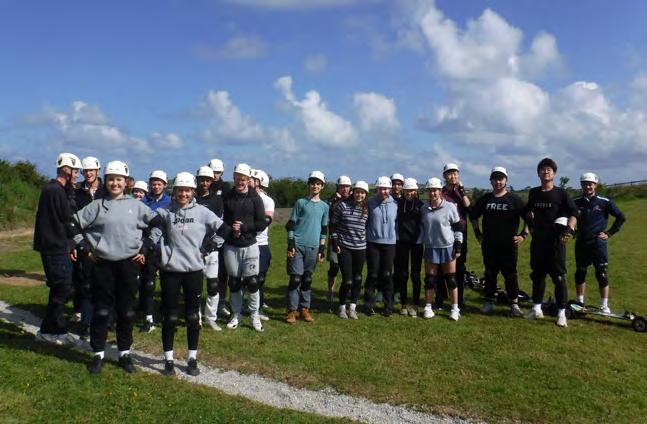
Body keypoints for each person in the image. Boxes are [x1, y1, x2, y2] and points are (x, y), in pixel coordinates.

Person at [73, 160, 158, 373]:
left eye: (119, 179)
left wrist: (146, 247)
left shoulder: (136, 205)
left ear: (126, 182)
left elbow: (158, 224)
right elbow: (72, 224)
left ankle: (124, 353)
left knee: (126, 311)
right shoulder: (97, 205)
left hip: (128, 264)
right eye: (111, 179)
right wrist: (84, 247)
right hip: (102, 264)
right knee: (102, 311)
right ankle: (98, 353)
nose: (115, 183)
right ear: (106, 181)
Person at [149, 172, 226, 376]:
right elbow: (151, 227)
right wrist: (149, 245)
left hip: (193, 270)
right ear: (174, 191)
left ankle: (192, 358)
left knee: (193, 317)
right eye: (180, 190)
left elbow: (224, 230)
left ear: (193, 192)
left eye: (187, 191)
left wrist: (209, 246)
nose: (183, 194)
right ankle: (168, 360)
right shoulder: (166, 211)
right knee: (170, 317)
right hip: (170, 271)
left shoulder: (202, 212)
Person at [33, 153, 81, 345]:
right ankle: (55, 330)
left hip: (55, 246)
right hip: (55, 247)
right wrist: (73, 241)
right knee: (62, 288)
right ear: (66, 170)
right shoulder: (56, 191)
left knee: (59, 289)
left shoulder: (53, 189)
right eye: (75, 171)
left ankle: (49, 330)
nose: (77, 176)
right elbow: (67, 219)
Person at [525, 158, 578, 327]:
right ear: (538, 173)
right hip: (538, 242)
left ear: (554, 173)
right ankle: (536, 308)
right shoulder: (534, 193)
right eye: (543, 169)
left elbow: (574, 213)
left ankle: (562, 313)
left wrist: (568, 231)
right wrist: (530, 227)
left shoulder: (561, 193)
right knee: (538, 276)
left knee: (559, 278)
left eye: (549, 169)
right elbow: (528, 212)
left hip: (556, 242)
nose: (546, 171)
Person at [470, 167, 528, 317]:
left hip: (509, 245)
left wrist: (523, 235)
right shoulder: (486, 199)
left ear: (506, 180)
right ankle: (489, 302)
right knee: (490, 274)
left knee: (510, 275)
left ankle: (514, 304)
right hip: (489, 244)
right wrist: (477, 233)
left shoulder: (514, 200)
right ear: (491, 181)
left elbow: (529, 218)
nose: (498, 182)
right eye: (495, 179)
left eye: (501, 179)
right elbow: (473, 215)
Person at [221, 163, 267, 331]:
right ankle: (236, 314)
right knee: (234, 282)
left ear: (248, 180)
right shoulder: (227, 196)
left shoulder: (255, 198)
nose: (240, 182)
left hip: (250, 244)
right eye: (237, 178)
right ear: (234, 178)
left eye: (243, 179)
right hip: (231, 245)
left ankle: (254, 315)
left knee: (252, 282)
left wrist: (244, 227)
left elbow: (262, 223)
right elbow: (222, 220)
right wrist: (231, 229)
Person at [573, 172, 625, 313]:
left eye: (590, 184)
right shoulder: (575, 202)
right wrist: (572, 231)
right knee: (580, 273)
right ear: (581, 185)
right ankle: (580, 302)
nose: (588, 187)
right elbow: (566, 217)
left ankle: (604, 305)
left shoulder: (605, 201)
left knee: (601, 274)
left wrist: (609, 233)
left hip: (598, 244)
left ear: (595, 185)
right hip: (582, 243)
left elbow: (621, 217)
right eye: (585, 184)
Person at [285, 171, 329, 324]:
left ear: (322, 186)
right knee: (295, 279)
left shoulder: (325, 207)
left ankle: (304, 309)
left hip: (314, 246)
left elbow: (324, 229)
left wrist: (322, 248)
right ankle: (291, 311)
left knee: (307, 279)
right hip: (298, 245)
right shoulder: (300, 202)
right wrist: (291, 243)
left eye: (318, 184)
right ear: (309, 185)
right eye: (312, 183)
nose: (315, 186)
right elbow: (291, 224)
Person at [71, 156, 107, 339]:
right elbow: (73, 220)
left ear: (97, 171)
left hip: (106, 242)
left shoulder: (106, 190)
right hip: (86, 243)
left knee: (106, 284)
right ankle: (86, 323)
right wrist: (75, 244)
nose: (88, 173)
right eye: (85, 171)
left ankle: (105, 320)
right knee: (86, 284)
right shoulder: (78, 193)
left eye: (91, 170)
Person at [419, 177, 464, 321]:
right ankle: (428, 307)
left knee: (451, 279)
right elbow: (422, 228)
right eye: (430, 190)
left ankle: (455, 309)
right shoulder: (423, 208)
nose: (432, 193)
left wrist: (458, 245)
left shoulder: (450, 207)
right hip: (431, 248)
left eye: (435, 190)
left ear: (440, 191)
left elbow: (458, 228)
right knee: (430, 280)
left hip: (447, 247)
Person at [330, 180, 369, 320]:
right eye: (357, 192)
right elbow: (333, 225)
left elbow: (367, 227)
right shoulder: (342, 206)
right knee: (348, 280)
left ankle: (352, 307)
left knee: (357, 278)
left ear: (365, 195)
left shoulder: (367, 209)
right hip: (344, 247)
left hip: (360, 248)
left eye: (362, 193)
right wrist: (335, 242)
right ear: (353, 192)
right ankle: (341, 307)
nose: (360, 195)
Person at [139, 169, 171, 332]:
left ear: (164, 185)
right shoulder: (143, 201)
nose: (156, 186)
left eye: (159, 184)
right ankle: (149, 318)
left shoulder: (170, 201)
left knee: (167, 283)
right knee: (149, 283)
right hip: (149, 247)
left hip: (166, 248)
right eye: (154, 184)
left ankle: (166, 313)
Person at [195, 166, 224, 330]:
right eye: (202, 180)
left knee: (213, 285)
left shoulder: (217, 200)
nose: (204, 183)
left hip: (211, 247)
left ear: (211, 181)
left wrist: (210, 244)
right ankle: (196, 317)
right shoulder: (192, 198)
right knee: (196, 286)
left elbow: (219, 224)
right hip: (194, 248)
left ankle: (211, 318)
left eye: (207, 180)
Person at [364, 176, 398, 317]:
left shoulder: (395, 204)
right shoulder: (370, 202)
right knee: (372, 274)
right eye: (380, 189)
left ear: (390, 189)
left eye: (385, 189)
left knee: (386, 275)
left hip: (390, 243)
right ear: (377, 189)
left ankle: (388, 305)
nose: (383, 191)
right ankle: (369, 305)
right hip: (373, 242)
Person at [437, 163, 470, 309]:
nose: (453, 176)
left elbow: (469, 208)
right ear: (444, 176)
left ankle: (459, 300)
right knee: (440, 268)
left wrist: (462, 191)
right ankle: (440, 298)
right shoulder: (441, 192)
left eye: (455, 173)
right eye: (450, 173)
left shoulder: (461, 192)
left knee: (460, 268)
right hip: (444, 233)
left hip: (460, 233)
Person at [394, 178, 424, 317]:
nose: (409, 193)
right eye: (407, 190)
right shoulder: (399, 204)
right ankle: (404, 305)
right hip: (402, 243)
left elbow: (424, 224)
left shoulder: (421, 205)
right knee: (403, 274)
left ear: (416, 191)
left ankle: (416, 305)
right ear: (403, 191)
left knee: (415, 275)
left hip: (417, 243)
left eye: (412, 190)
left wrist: (420, 239)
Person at [208, 158, 232, 316]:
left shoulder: (226, 187)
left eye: (218, 172)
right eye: (213, 172)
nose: (215, 175)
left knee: (222, 272)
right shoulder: (203, 186)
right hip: (206, 232)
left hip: (222, 232)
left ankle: (222, 302)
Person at [326, 176, 352, 310]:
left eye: (347, 186)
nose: (345, 189)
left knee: (349, 268)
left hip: (350, 239)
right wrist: (332, 200)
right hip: (335, 237)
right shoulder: (332, 201)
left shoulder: (353, 199)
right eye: (342, 187)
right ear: (338, 188)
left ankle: (348, 291)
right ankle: (330, 291)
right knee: (334, 266)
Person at [252, 169, 275, 321]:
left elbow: (266, 221)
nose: (248, 181)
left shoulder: (267, 200)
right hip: (247, 242)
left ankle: (258, 306)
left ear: (259, 182)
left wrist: (247, 227)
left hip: (260, 242)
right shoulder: (246, 198)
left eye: (251, 179)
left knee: (259, 277)